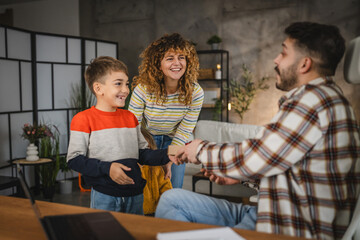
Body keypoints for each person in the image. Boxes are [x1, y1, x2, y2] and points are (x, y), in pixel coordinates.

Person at [155, 22, 360, 239]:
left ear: (304, 64)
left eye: (283, 53)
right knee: (172, 199)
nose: (276, 59)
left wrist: (199, 150)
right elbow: (283, 166)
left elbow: (257, 155)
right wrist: (239, 178)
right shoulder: (327, 100)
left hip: (281, 228)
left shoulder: (313, 102)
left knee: (172, 204)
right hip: (266, 213)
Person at [66, 56, 175, 215]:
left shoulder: (130, 118)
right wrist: (107, 168)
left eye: (126, 84)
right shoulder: (83, 119)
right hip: (104, 196)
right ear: (98, 88)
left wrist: (170, 153)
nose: (125, 89)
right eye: (118, 83)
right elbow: (74, 160)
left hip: (136, 195)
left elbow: (143, 155)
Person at [128, 33, 204, 189]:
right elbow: (132, 126)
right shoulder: (143, 90)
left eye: (181, 57)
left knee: (173, 190)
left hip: (175, 140)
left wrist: (169, 160)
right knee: (147, 192)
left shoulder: (195, 93)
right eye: (170, 58)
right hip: (147, 140)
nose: (177, 63)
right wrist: (143, 153)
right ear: (158, 64)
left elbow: (184, 131)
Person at [140, 123, 172, 216]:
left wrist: (163, 207)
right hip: (139, 212)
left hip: (157, 211)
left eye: (147, 147)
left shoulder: (156, 167)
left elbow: (166, 187)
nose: (145, 152)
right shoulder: (131, 168)